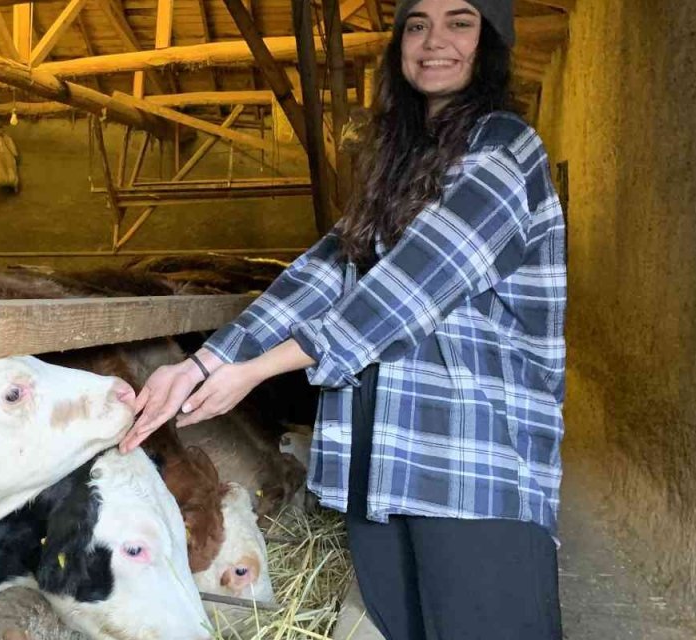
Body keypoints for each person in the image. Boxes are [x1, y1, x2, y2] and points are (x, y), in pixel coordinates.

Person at [119, 0, 566, 637]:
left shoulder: (506, 149)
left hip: (473, 461)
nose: (434, 40)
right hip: (385, 456)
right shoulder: (401, 165)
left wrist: (257, 371)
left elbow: (410, 286)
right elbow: (324, 270)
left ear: (491, 44)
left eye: (459, 22)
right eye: (417, 25)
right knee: (401, 623)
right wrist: (201, 363)